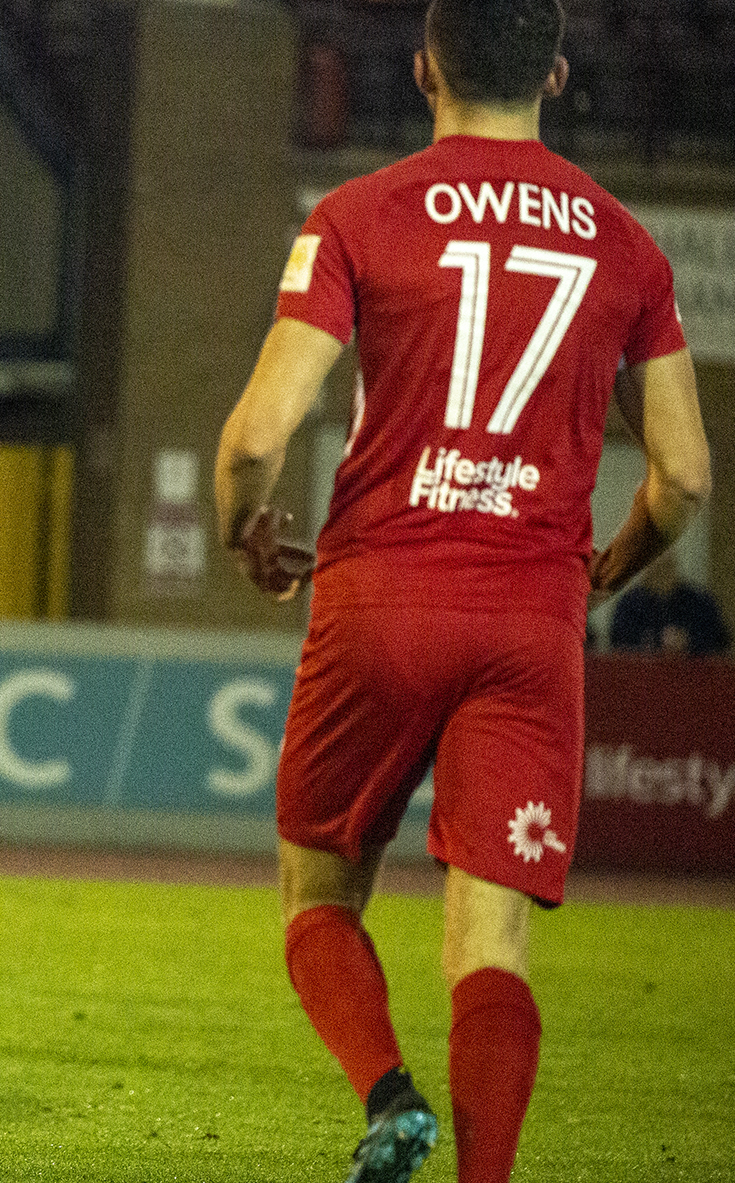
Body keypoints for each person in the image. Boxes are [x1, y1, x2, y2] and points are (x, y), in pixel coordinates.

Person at [213, 2, 712, 1180]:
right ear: (556, 72)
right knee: (490, 945)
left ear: (425, 68)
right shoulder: (630, 249)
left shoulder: (353, 217)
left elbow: (254, 438)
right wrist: (603, 571)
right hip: (531, 615)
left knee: (318, 892)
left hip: (380, 594)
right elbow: (686, 477)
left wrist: (245, 530)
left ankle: (390, 1097)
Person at [605, 550, 730, 655]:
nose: (661, 574)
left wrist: (688, 642)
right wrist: (656, 643)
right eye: (656, 568)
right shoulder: (629, 605)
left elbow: (719, 642)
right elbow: (619, 646)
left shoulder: (699, 602)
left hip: (693, 676)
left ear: (674, 566)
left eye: (666, 567)